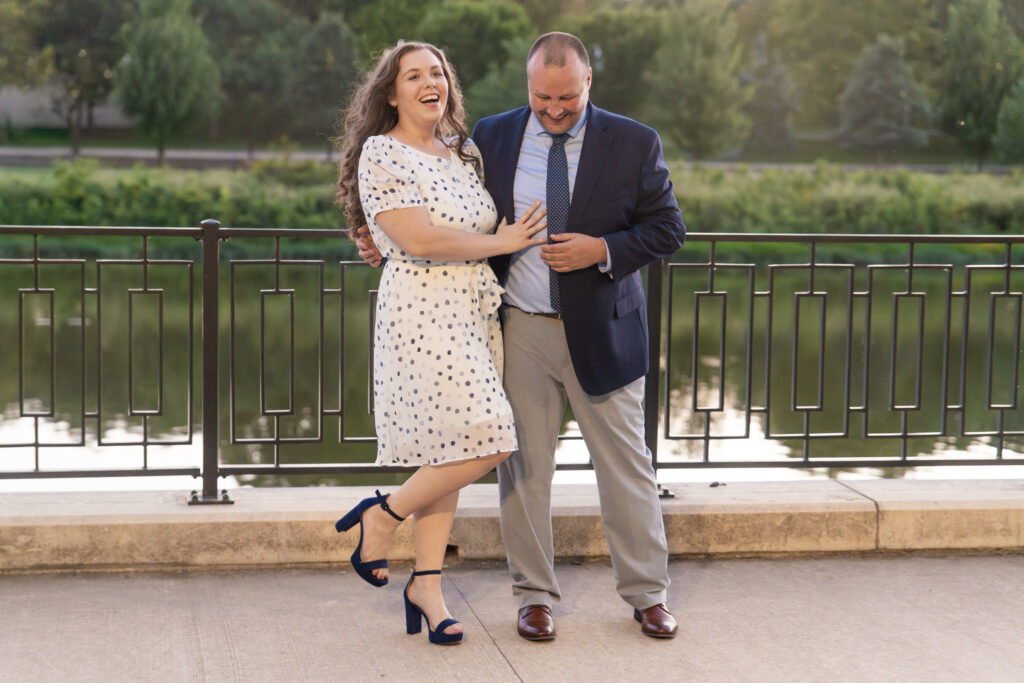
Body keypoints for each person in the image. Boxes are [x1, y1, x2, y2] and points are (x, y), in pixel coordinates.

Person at [357, 31, 685, 640]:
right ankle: (533, 596)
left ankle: (647, 594)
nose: (555, 110)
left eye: (567, 98)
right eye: (542, 98)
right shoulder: (494, 135)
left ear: (589, 83)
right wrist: (377, 236)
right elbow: (428, 199)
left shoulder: (636, 142)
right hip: (518, 329)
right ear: (527, 87)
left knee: (626, 469)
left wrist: (603, 249)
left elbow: (668, 229)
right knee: (524, 469)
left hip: (606, 332)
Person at [334, 40, 547, 646]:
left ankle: (426, 585)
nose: (430, 83)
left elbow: (466, 224)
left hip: (473, 313)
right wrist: (504, 244)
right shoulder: (383, 152)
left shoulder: (462, 152)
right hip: (423, 313)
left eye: (438, 73)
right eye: (414, 76)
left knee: (453, 448)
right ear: (391, 92)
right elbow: (421, 240)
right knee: (491, 435)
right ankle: (383, 515)